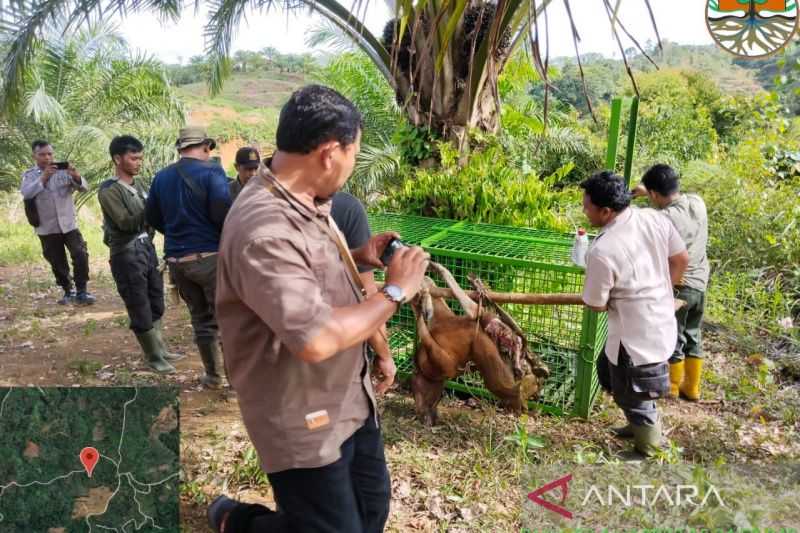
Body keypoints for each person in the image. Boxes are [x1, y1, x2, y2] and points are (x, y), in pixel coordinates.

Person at [207, 85, 429, 532]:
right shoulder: (264, 226)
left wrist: (360, 254)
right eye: (353, 155)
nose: (351, 168)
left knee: (371, 512)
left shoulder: (306, 199)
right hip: (300, 413)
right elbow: (315, 337)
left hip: (347, 396)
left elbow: (306, 270)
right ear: (330, 152)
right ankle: (237, 521)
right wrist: (396, 291)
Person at [580, 171, 689, 457]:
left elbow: (595, 303)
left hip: (634, 338)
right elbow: (680, 259)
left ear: (605, 211)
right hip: (660, 323)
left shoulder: (602, 250)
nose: (583, 210)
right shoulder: (654, 218)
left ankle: (649, 447)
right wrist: (661, 290)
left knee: (635, 391)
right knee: (610, 372)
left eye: (587, 205)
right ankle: (637, 423)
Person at [145, 126, 232, 388]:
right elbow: (222, 214)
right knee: (226, 321)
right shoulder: (212, 172)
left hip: (177, 263)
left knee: (201, 321)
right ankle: (236, 382)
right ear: (206, 147)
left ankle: (213, 377)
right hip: (209, 258)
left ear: (180, 148)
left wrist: (177, 235)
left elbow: (153, 217)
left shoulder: (160, 178)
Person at [97, 135, 184, 374]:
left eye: (140, 158)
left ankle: (161, 348)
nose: (138, 162)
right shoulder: (109, 190)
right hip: (126, 253)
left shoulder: (140, 185)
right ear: (117, 158)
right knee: (139, 304)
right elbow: (125, 223)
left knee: (156, 298)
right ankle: (153, 356)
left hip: (146, 249)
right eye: (133, 158)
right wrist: (153, 206)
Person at [634, 164, 709, 401]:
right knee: (693, 333)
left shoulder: (663, 219)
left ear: (655, 194)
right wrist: (648, 191)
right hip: (700, 284)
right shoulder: (697, 202)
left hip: (680, 285)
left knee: (674, 334)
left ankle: (673, 387)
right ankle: (693, 388)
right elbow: (673, 200)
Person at [332, 191, 395, 392]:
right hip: (339, 347)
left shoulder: (256, 201)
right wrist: (385, 356)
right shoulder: (346, 208)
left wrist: (356, 255)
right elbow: (365, 293)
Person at [19, 140, 95, 305]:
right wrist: (43, 178)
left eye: (50, 154)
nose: (47, 157)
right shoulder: (29, 175)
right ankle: (68, 291)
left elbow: (84, 188)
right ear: (34, 156)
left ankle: (82, 290)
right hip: (47, 226)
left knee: (81, 254)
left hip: (68, 224)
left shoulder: (63, 171)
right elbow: (26, 194)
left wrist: (76, 176)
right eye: (42, 154)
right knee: (57, 260)